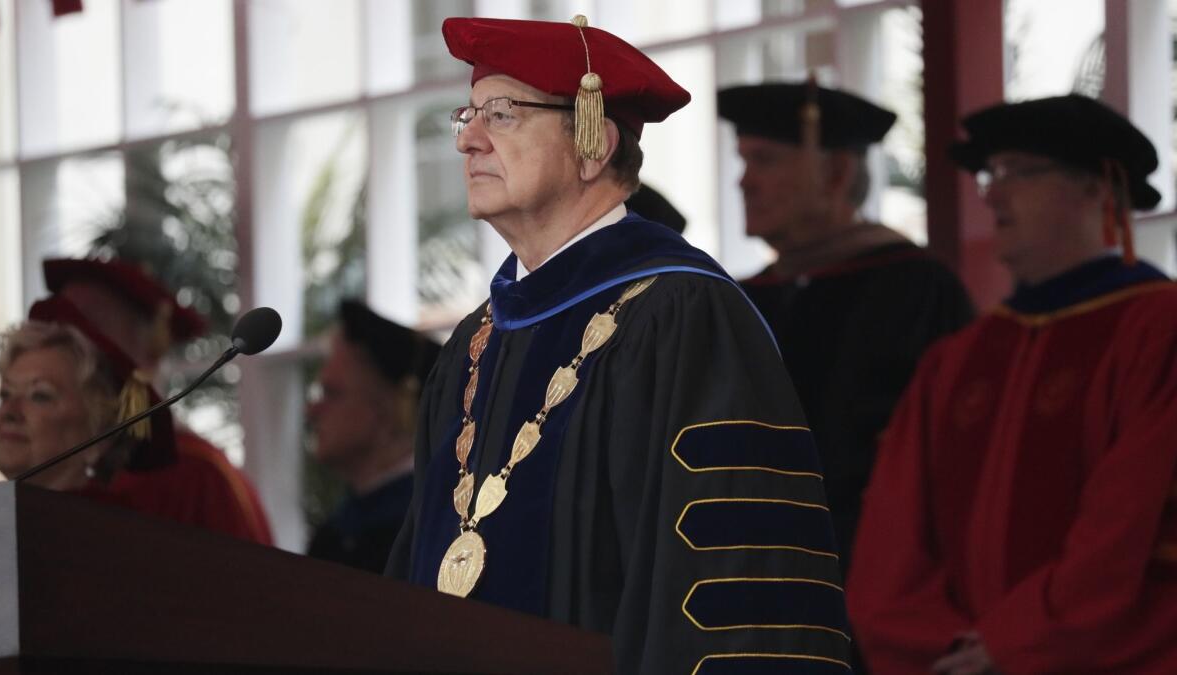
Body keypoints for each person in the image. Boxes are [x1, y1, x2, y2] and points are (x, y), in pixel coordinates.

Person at [385, 16, 850, 673]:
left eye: (503, 114)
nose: (469, 139)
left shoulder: (682, 316)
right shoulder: (476, 343)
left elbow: (732, 582)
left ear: (592, 145)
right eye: (468, 114)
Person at [847, 94, 1177, 674]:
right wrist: (940, 647)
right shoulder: (958, 359)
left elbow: (1130, 520)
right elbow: (892, 539)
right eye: (989, 174)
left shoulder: (1158, 330)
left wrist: (1016, 644)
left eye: (1020, 172)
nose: (992, 193)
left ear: (1101, 188)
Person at [718, 81, 973, 575]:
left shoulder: (914, 287)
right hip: (745, 569)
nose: (744, 182)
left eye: (765, 160)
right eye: (743, 161)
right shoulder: (743, 298)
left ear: (835, 171)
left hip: (876, 569)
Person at [40, 257, 272, 544]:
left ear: (147, 348)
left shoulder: (196, 478)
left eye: (88, 324)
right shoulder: (49, 462)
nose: (64, 346)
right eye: (56, 327)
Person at [0, 296, 178, 501]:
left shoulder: (115, 529)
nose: (9, 411)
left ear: (100, 435)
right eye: (5, 394)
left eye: (40, 396)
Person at [306, 300, 440, 573]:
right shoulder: (336, 533)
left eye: (332, 393)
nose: (312, 411)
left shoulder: (429, 528)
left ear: (387, 410)